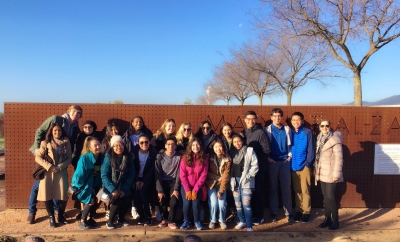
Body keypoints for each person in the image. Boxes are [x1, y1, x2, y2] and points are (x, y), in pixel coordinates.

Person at [27, 105, 82, 224]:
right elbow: (40, 131)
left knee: (59, 187)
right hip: (46, 156)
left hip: (60, 161)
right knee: (38, 186)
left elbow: (70, 144)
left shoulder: (75, 128)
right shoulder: (56, 119)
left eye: (79, 113)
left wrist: (66, 161)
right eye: (74, 112)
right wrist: (37, 148)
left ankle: (57, 211)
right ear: (69, 112)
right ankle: (31, 211)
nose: (76, 114)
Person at [35, 123, 72, 228]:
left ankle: (60, 216)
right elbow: (38, 158)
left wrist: (60, 166)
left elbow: (70, 157)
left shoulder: (66, 142)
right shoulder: (45, 143)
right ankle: (52, 217)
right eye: (55, 130)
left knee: (63, 195)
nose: (57, 132)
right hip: (48, 172)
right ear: (51, 131)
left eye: (59, 130)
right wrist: (50, 166)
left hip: (61, 171)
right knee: (47, 195)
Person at [264, 108, 294, 223]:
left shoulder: (287, 129)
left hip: (285, 162)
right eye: (275, 116)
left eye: (279, 116)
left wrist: (290, 155)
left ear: (281, 117)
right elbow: (264, 146)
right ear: (271, 117)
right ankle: (274, 212)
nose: (277, 118)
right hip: (273, 162)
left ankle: (289, 213)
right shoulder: (267, 130)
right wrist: (267, 157)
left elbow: (291, 144)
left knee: (286, 189)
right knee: (273, 189)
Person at [241, 110, 271, 225]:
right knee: (248, 193)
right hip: (246, 170)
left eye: (253, 119)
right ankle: (250, 215)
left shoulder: (260, 132)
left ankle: (259, 216)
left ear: (256, 120)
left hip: (258, 169)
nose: (250, 121)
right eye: (248, 119)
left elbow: (267, 150)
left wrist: (256, 163)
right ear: (245, 120)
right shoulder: (243, 132)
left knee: (258, 192)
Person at [101, 135, 135, 229]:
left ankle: (121, 219)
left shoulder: (128, 158)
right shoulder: (108, 158)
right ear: (112, 147)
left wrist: (124, 189)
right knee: (117, 200)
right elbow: (104, 175)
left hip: (124, 185)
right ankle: (110, 221)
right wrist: (113, 189)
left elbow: (131, 174)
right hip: (110, 186)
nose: (119, 147)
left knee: (127, 198)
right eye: (116, 145)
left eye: (121, 145)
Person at [314, 119, 343, 230]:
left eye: (327, 125)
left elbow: (339, 158)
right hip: (322, 172)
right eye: (322, 126)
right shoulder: (319, 138)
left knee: (331, 197)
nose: (325, 128)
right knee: (325, 197)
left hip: (331, 173)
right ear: (319, 127)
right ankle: (327, 218)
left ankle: (335, 220)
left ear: (330, 126)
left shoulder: (335, 139)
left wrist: (336, 174)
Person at [72, 136, 104, 230]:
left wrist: (96, 187)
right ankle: (83, 221)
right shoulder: (84, 159)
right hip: (84, 184)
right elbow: (79, 174)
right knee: (90, 201)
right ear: (89, 148)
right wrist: (77, 187)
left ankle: (90, 219)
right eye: (95, 145)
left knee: (97, 201)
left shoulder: (102, 157)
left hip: (96, 183)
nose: (98, 146)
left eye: (99, 144)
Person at [230, 134, 259, 232]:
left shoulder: (249, 151)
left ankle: (249, 225)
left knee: (246, 204)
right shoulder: (231, 153)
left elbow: (255, 166)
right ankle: (242, 221)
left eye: (239, 141)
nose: (237, 143)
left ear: (242, 141)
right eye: (235, 142)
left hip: (246, 181)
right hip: (235, 182)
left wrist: (248, 176)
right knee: (238, 204)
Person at [180, 137, 209, 230]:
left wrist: (196, 189)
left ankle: (197, 222)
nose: (195, 147)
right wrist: (188, 190)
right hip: (186, 186)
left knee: (196, 203)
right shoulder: (185, 158)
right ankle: (186, 221)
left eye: (197, 144)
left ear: (200, 146)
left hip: (198, 186)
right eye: (193, 145)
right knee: (186, 202)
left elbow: (203, 176)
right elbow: (182, 175)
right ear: (190, 146)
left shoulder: (204, 159)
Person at [290, 112, 315, 224]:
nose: (296, 122)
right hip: (293, 166)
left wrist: (308, 163)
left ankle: (306, 212)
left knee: (305, 190)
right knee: (297, 190)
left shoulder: (307, 132)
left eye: (298, 120)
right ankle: (299, 210)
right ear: (291, 122)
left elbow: (311, 149)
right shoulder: (289, 132)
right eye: (294, 120)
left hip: (304, 165)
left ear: (302, 121)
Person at [155, 137, 182, 229]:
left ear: (175, 146)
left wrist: (176, 188)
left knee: (174, 201)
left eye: (173, 144)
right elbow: (157, 174)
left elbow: (179, 173)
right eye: (168, 144)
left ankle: (171, 221)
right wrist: (159, 190)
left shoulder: (179, 157)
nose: (171, 146)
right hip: (162, 181)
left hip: (174, 182)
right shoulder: (160, 156)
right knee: (162, 200)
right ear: (165, 146)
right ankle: (164, 219)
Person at [206, 139, 232, 230]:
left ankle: (222, 220)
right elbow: (206, 172)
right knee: (213, 203)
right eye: (216, 147)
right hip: (211, 183)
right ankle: (212, 220)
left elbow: (226, 175)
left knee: (222, 203)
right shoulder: (209, 158)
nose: (218, 149)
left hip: (222, 184)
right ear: (213, 148)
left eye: (220, 146)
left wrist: (221, 191)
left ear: (223, 147)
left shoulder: (228, 159)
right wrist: (216, 177)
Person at [133, 134, 157, 226]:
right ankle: (142, 216)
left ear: (149, 142)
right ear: (138, 143)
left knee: (143, 195)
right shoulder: (134, 152)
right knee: (136, 196)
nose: (144, 144)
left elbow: (152, 169)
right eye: (142, 142)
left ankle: (148, 217)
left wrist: (143, 181)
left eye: (146, 142)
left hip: (147, 179)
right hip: (136, 178)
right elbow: (133, 168)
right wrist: (137, 181)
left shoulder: (153, 152)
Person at [219, 122, 236, 223]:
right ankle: (227, 213)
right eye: (225, 130)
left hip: (234, 169)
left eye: (228, 129)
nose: (227, 132)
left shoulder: (235, 139)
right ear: (222, 131)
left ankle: (234, 212)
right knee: (226, 191)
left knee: (232, 191)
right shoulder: (219, 141)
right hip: (224, 169)